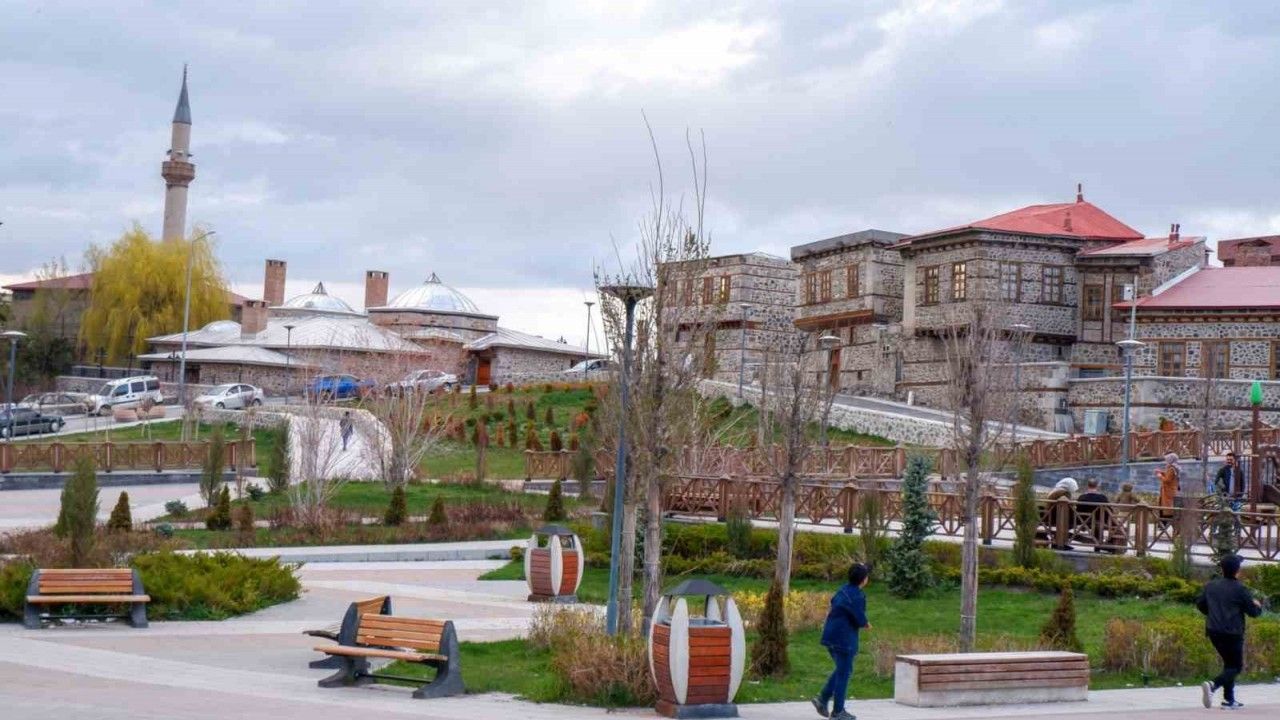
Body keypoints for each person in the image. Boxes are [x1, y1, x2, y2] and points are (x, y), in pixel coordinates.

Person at [1198, 554, 1263, 710]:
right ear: (1238, 571)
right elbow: (1253, 612)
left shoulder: (1211, 586)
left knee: (1229, 665)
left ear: (1222, 569)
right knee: (1236, 666)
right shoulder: (1240, 589)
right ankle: (1213, 685)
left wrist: (1213, 613)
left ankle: (1229, 700)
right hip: (1232, 633)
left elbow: (1200, 604)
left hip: (1213, 631)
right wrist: (1258, 605)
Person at [813, 563, 871, 720]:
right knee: (844, 673)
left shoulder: (842, 590)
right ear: (864, 580)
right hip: (844, 639)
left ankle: (822, 699)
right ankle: (838, 711)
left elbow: (835, 602)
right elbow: (859, 618)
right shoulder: (858, 596)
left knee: (843, 670)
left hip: (830, 635)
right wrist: (866, 623)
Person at [1043, 478, 1077, 550]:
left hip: (1049, 515)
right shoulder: (1064, 493)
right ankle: (1061, 542)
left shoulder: (1054, 491)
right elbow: (1069, 506)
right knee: (1069, 523)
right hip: (1058, 516)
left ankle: (1057, 541)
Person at [1076, 479, 1110, 551]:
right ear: (1097, 486)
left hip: (1084, 521)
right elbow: (1108, 511)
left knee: (1096, 523)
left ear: (1087, 486)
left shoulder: (1081, 497)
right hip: (1099, 521)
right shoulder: (1102, 498)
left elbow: (1078, 510)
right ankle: (1099, 545)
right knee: (1099, 523)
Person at [1156, 453, 1180, 523]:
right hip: (1169, 491)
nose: (1166, 461)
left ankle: (1164, 524)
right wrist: (1161, 472)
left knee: (1167, 508)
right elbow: (1168, 476)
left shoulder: (1172, 469)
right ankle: (1164, 523)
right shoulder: (1173, 468)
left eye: (1167, 460)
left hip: (1168, 492)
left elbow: (1167, 480)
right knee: (1165, 507)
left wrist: (1160, 476)